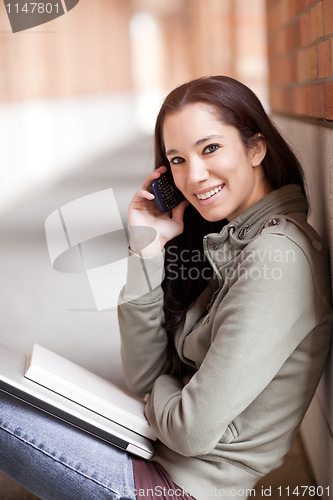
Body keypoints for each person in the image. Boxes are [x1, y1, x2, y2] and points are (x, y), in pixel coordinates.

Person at [0, 76, 332, 500]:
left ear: (256, 148)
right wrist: (147, 248)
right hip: (149, 451)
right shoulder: (233, 241)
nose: (194, 176)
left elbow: (187, 429)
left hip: (174, 488)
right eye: (177, 160)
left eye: (210, 148)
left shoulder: (277, 259)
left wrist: (161, 387)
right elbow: (141, 372)